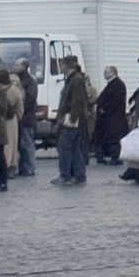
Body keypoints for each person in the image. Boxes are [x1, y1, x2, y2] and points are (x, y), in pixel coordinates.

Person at [52, 56, 92, 185]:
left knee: (65, 147)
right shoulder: (73, 79)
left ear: (66, 66)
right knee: (74, 148)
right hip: (72, 117)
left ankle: (66, 175)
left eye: (61, 64)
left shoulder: (76, 80)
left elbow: (77, 100)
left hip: (71, 118)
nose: (60, 67)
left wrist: (72, 118)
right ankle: (78, 176)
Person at [92, 65, 128, 165]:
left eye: (106, 71)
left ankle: (116, 157)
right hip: (109, 117)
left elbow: (116, 101)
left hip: (114, 117)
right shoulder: (111, 84)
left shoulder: (118, 84)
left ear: (113, 72)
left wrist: (105, 109)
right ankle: (107, 156)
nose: (104, 73)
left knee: (114, 138)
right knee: (107, 137)